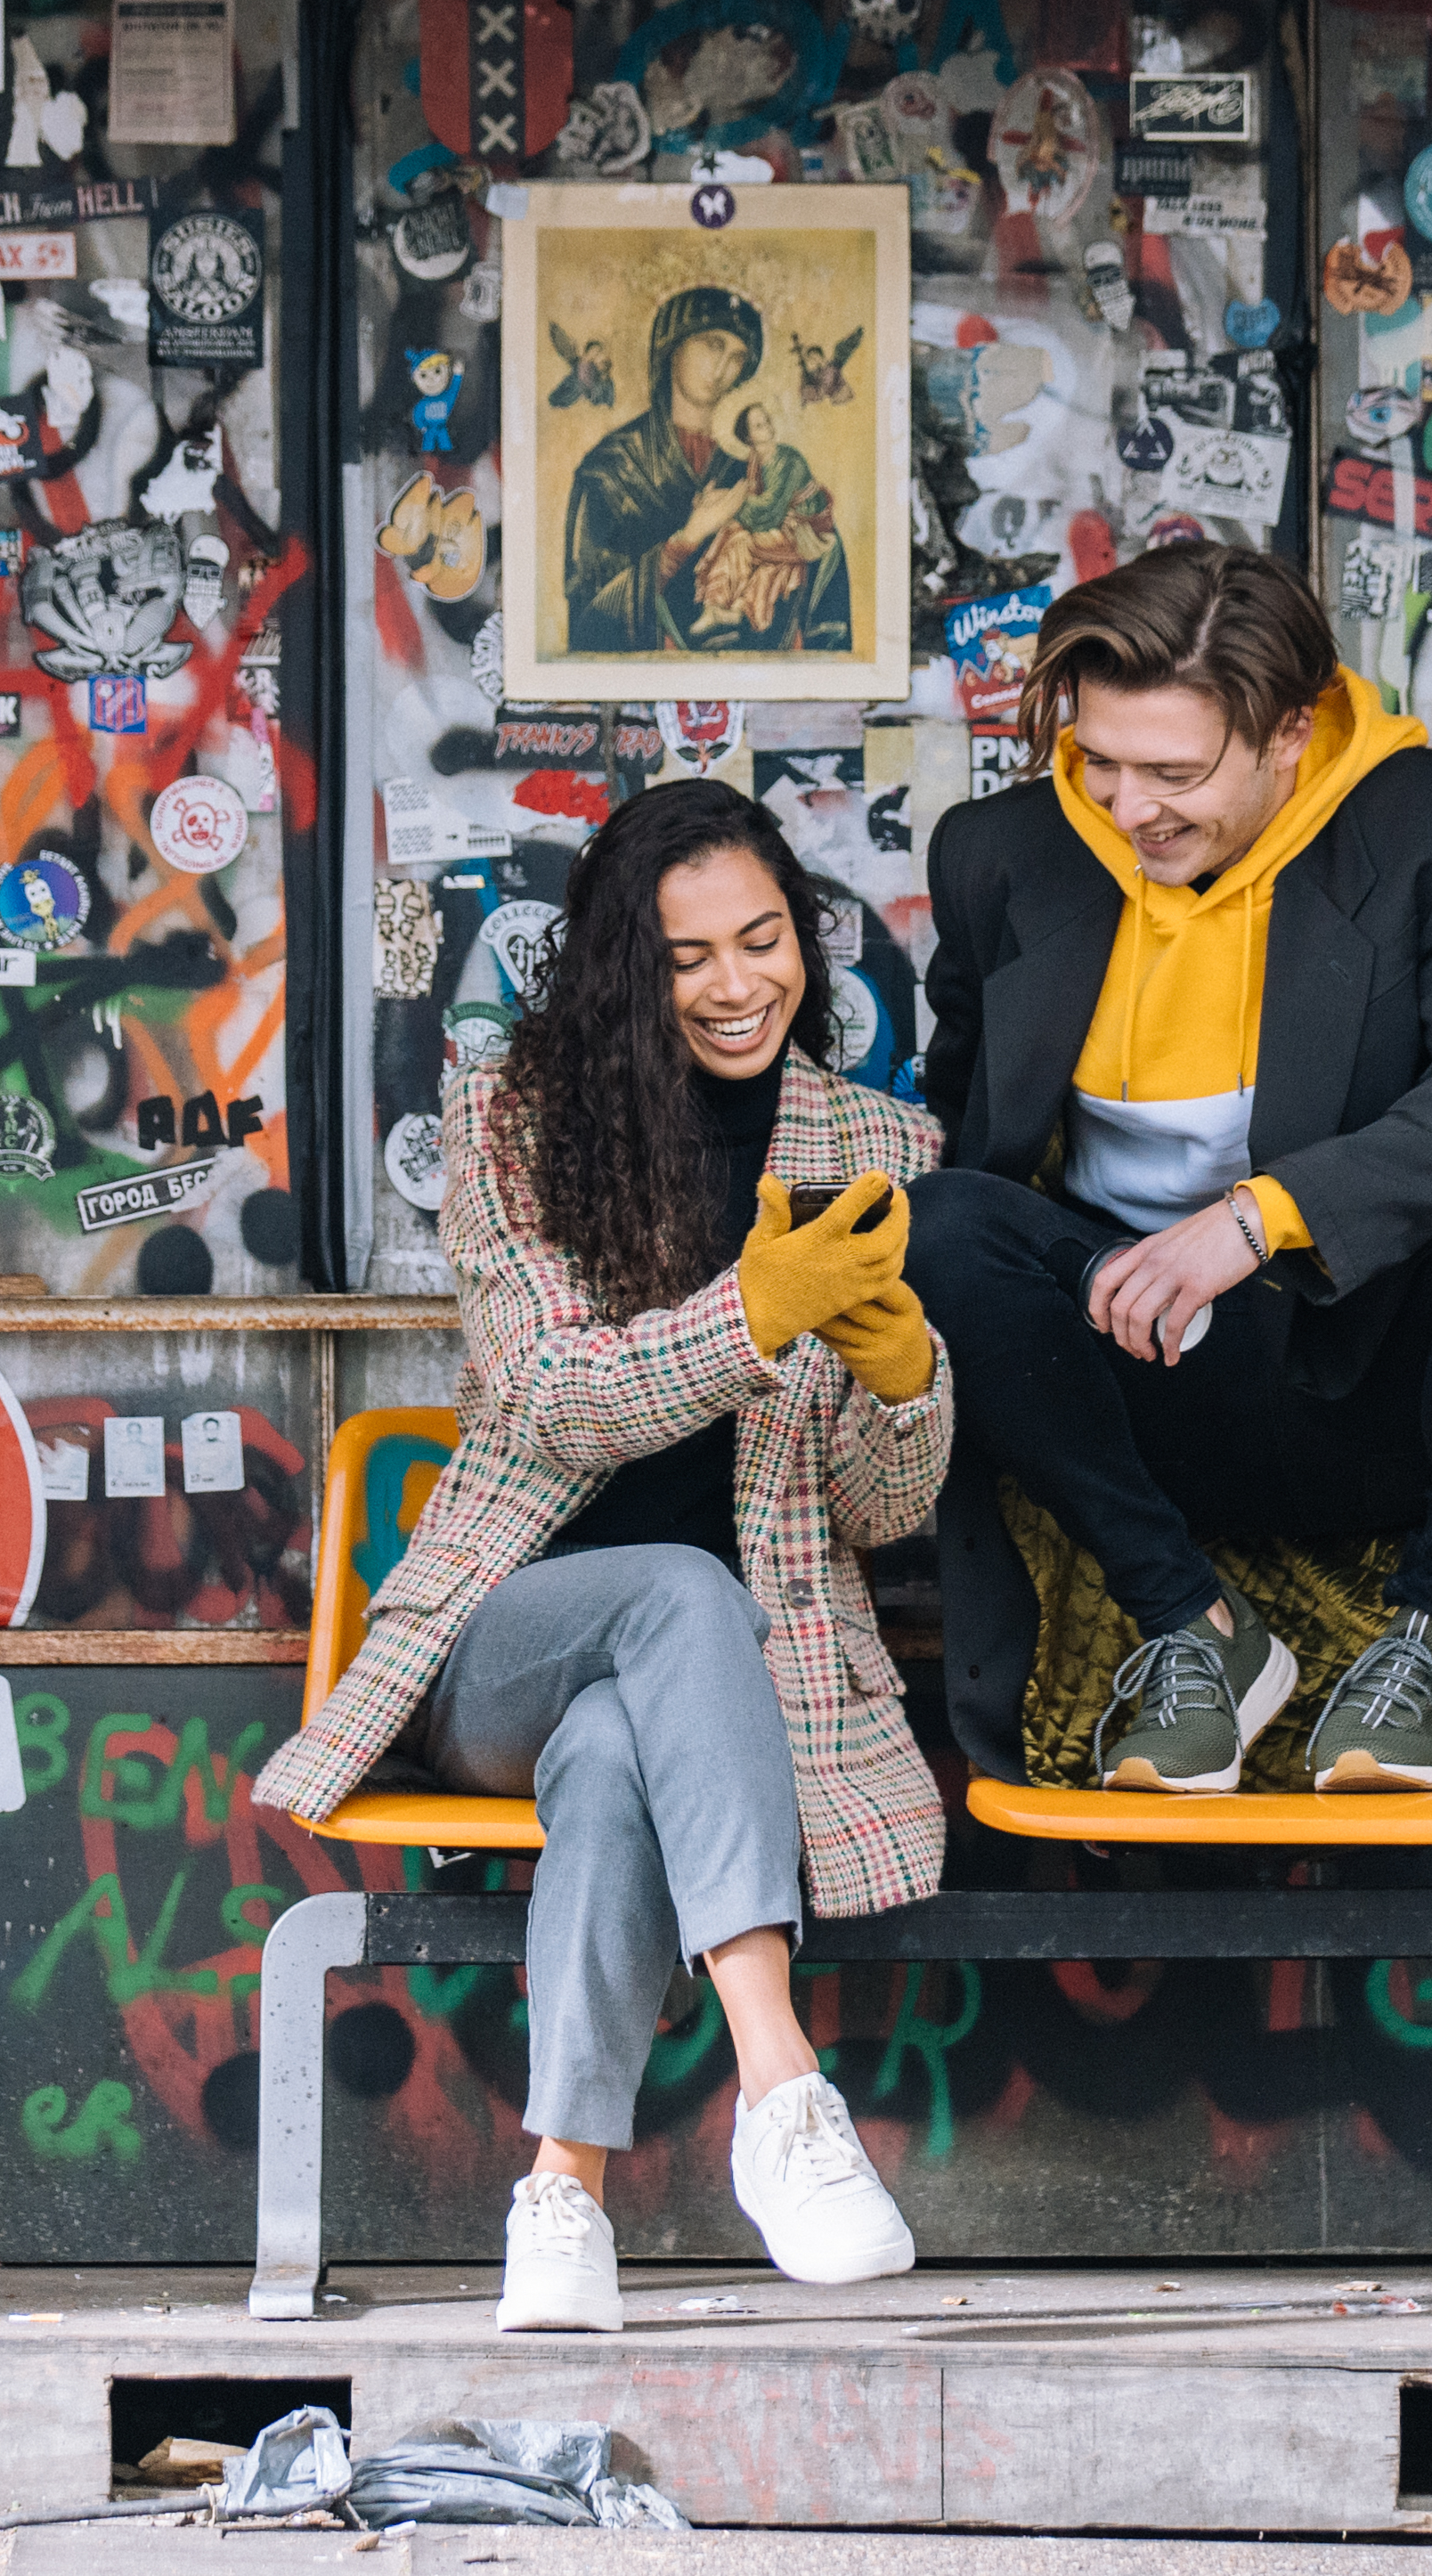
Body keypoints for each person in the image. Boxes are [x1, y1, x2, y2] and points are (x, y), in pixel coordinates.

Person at [257, 781, 946, 2331]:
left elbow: (887, 1505)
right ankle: (779, 2081)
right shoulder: (514, 1122)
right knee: (663, 1597)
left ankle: (559, 2196)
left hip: (742, 1681)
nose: (733, 983)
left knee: (614, 1754)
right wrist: (752, 1311)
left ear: (804, 939)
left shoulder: (883, 1143)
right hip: (509, 1629)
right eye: (684, 956)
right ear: (622, 974)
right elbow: (556, 1399)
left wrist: (906, 1371)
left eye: (760, 940)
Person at [909, 539, 1432, 1796]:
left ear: (1288, 731)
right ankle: (1192, 1629)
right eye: (1096, 756)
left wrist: (1254, 1222)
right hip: (1126, 1387)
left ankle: (1425, 1645)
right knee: (941, 1223)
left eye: (1172, 769)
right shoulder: (1002, 852)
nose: (1122, 802)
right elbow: (970, 1114)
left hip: (1361, 1371)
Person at [556, 286, 852, 658]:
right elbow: (588, 626)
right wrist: (686, 540)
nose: (722, 369)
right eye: (712, 345)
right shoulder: (611, 469)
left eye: (737, 357)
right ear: (673, 345)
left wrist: (806, 537)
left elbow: (825, 574)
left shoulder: (758, 462)